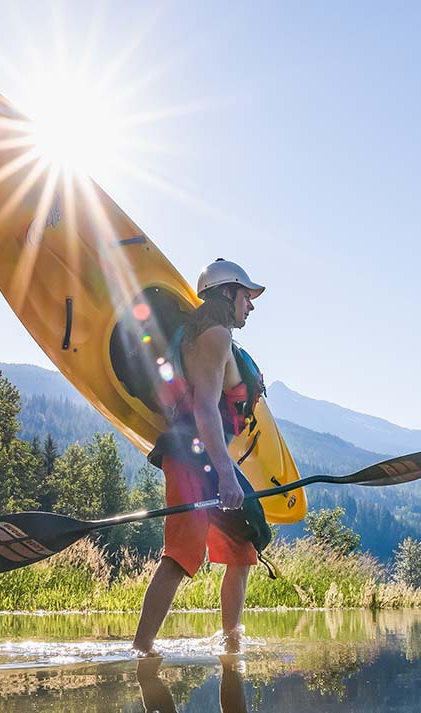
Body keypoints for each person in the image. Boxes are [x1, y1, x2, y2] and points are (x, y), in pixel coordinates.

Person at [131, 258, 269, 657]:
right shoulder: (215, 336)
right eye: (247, 295)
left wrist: (223, 470)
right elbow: (207, 409)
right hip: (193, 460)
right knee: (181, 554)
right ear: (227, 293)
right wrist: (226, 476)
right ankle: (141, 649)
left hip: (202, 456)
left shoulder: (199, 334)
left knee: (243, 547)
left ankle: (231, 645)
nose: (252, 305)